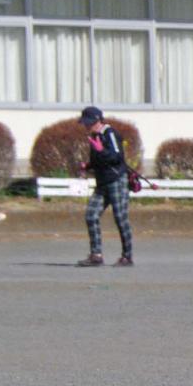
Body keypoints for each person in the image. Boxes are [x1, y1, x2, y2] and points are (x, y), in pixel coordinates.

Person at [75, 106, 133, 268]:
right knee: (91, 215)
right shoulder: (94, 136)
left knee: (120, 218)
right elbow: (99, 160)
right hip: (102, 182)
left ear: (98, 121)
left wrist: (101, 150)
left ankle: (127, 256)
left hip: (116, 180)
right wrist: (87, 166)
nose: (86, 126)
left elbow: (116, 156)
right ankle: (96, 255)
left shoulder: (110, 134)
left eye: (88, 123)